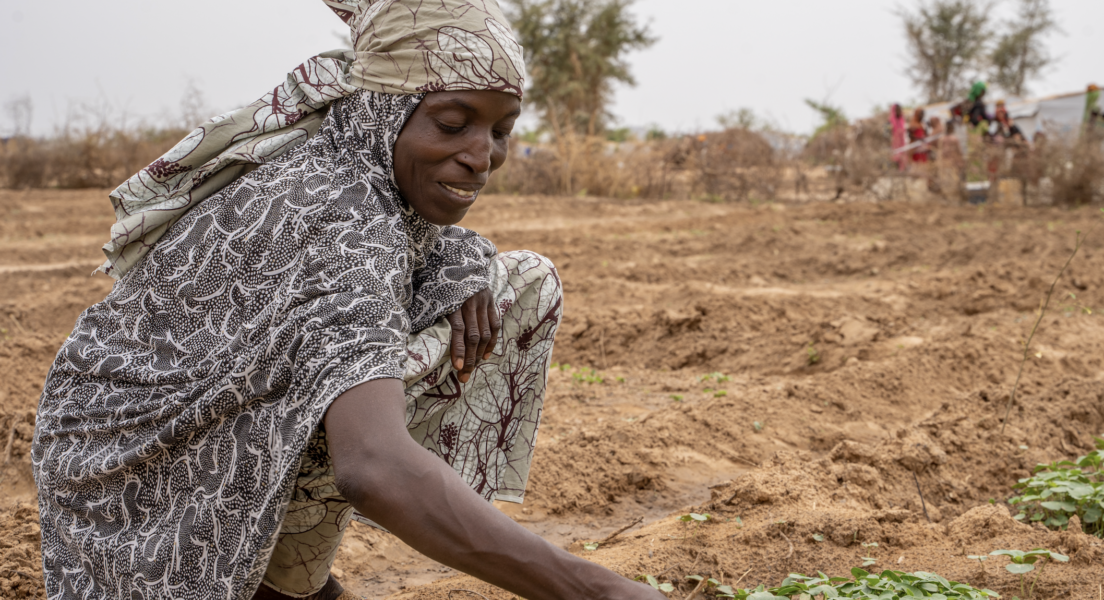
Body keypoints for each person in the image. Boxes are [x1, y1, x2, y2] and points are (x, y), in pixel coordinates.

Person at [32, 2, 665, 600]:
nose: (482, 158)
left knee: (517, 281)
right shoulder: (344, 219)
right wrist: (598, 589)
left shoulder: (337, 163)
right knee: (373, 401)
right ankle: (275, 585)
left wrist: (460, 259)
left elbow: (412, 246)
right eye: (452, 123)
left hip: (141, 449)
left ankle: (284, 575)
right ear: (382, 113)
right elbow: (373, 467)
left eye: (501, 131)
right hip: (135, 494)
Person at [889, 103, 908, 170]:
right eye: (897, 110)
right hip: (895, 142)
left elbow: (904, 130)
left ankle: (902, 169)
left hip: (902, 141)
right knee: (896, 157)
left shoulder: (902, 119)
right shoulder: (890, 121)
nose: (899, 111)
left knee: (903, 157)